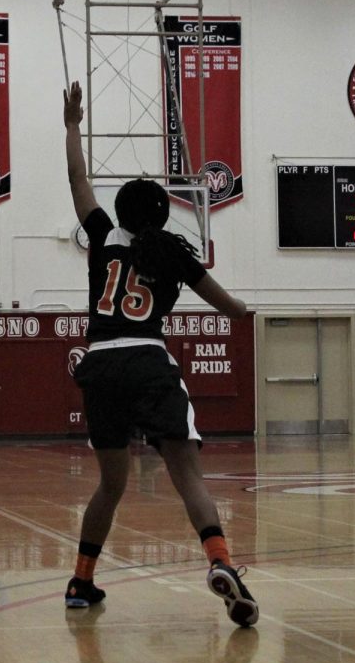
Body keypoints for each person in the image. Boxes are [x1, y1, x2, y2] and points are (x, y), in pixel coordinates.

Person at [62, 80, 258, 627]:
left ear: (120, 213)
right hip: (148, 359)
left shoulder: (102, 237)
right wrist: (244, 309)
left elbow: (78, 180)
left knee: (111, 482)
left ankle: (81, 580)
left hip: (100, 362)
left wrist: (73, 125)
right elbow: (225, 305)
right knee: (187, 475)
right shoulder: (172, 252)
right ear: (162, 214)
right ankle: (220, 561)